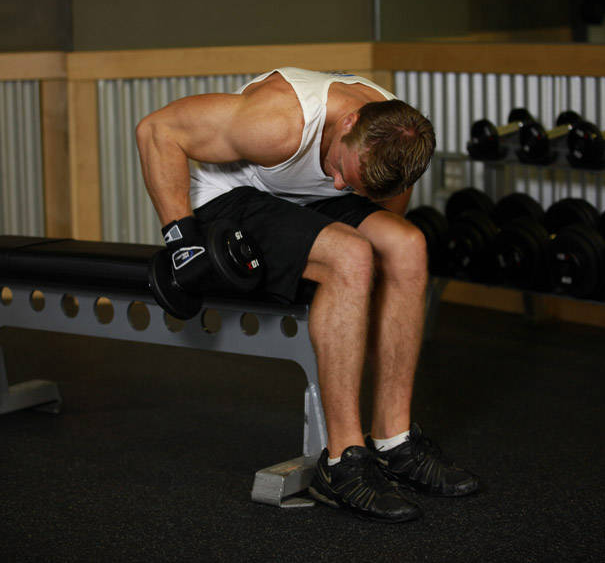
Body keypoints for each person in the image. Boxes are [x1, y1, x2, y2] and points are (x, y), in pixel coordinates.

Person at [136, 67, 478, 522]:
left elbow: (373, 202)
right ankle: (342, 462)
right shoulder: (280, 120)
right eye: (341, 168)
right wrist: (181, 239)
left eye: (353, 183)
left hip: (300, 203)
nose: (340, 184)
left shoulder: (394, 140)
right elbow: (157, 130)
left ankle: (395, 442)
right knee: (350, 257)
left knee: (408, 246)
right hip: (234, 195)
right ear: (350, 122)